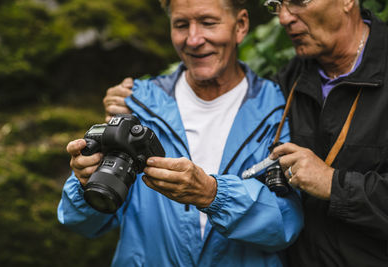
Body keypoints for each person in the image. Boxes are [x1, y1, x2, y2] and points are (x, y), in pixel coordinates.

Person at [58, 0, 303, 266]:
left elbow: (286, 224)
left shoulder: (278, 110)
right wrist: (84, 182)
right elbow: (82, 224)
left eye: (208, 23)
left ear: (241, 25)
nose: (194, 39)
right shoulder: (137, 104)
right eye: (181, 25)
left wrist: (212, 194)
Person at [261, 0, 388, 266]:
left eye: (297, 2)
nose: (284, 18)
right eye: (276, 4)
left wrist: (334, 185)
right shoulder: (287, 81)